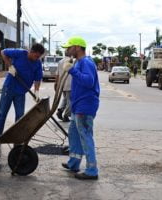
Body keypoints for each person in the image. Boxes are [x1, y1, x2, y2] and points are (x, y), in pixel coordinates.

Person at [0, 43, 45, 158]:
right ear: (31, 51)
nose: (36, 59)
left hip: (21, 91)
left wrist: (36, 92)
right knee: (1, 114)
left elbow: (38, 78)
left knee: (20, 116)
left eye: (39, 57)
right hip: (9, 88)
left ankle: (17, 143)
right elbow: (3, 52)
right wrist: (10, 66)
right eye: (36, 56)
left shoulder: (37, 63)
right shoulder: (19, 53)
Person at [61, 36, 100, 180]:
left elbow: (89, 82)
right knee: (74, 134)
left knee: (85, 136)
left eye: (69, 47)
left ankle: (92, 170)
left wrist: (72, 71)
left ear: (77, 47)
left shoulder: (86, 62)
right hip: (78, 105)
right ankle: (74, 163)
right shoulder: (78, 62)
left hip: (85, 105)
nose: (67, 50)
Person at [55, 48, 72, 122]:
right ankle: (66, 115)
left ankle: (60, 111)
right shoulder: (72, 61)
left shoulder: (60, 62)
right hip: (70, 84)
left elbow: (57, 74)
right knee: (70, 100)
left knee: (65, 98)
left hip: (62, 84)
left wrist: (56, 83)